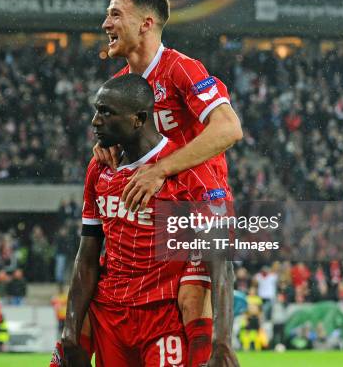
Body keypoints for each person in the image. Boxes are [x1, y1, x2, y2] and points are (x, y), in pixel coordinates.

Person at [94, 0, 242, 366]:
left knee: (191, 298)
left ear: (145, 23)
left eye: (114, 14)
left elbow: (228, 128)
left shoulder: (181, 69)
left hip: (197, 203)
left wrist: (161, 170)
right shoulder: (124, 86)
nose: (105, 23)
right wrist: (108, 142)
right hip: (149, 213)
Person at [62, 74, 223, 367]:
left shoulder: (186, 169)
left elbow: (218, 258)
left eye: (106, 112)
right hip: (111, 313)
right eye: (97, 110)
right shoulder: (99, 169)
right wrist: (69, 331)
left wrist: (221, 339)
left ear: (139, 119)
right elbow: (87, 255)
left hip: (162, 317)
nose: (96, 121)